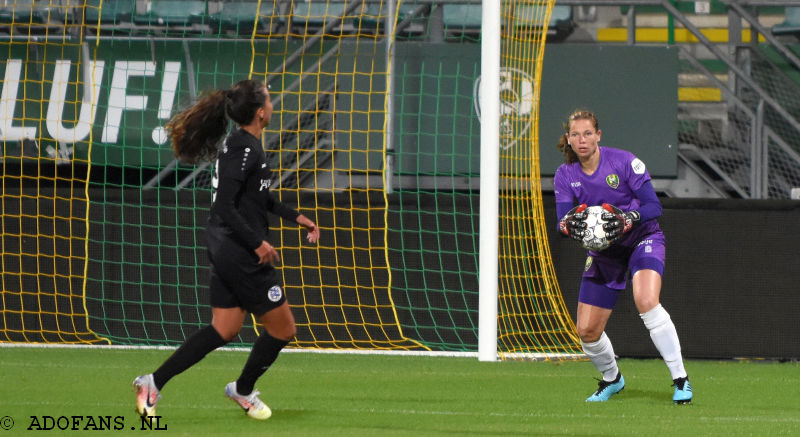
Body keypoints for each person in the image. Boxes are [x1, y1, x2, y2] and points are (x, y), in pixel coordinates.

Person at [133, 79, 320, 420]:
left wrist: (298, 218)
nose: (273, 103)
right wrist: (257, 243)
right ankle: (243, 389)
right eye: (270, 98)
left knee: (225, 329)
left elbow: (260, 198)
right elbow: (223, 206)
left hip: (227, 247)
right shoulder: (242, 148)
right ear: (261, 112)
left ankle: (152, 382)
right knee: (283, 329)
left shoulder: (248, 144)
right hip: (239, 252)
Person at [553, 110, 692, 404]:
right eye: (575, 134)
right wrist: (570, 224)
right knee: (587, 331)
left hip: (643, 238)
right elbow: (562, 223)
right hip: (605, 251)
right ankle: (612, 379)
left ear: (598, 135)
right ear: (568, 139)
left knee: (646, 301)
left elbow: (654, 206)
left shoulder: (624, 161)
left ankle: (681, 380)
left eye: (588, 133)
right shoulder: (565, 175)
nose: (582, 140)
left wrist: (629, 218)